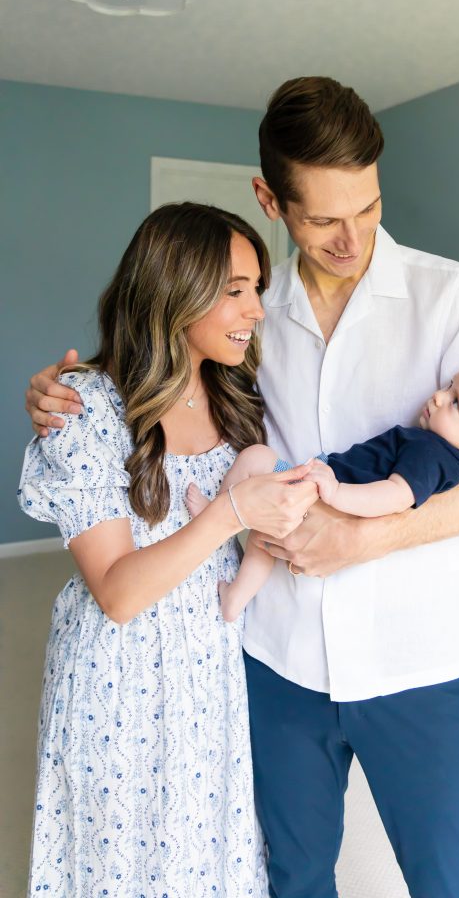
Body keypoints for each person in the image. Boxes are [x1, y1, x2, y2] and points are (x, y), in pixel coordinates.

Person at [26, 76, 459, 898]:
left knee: (453, 881)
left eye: (368, 208)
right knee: (290, 876)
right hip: (273, 656)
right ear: (269, 199)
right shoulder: (244, 309)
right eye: (321, 219)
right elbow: (160, 384)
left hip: (411, 657)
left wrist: (361, 538)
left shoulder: (450, 295)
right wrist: (68, 391)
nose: (351, 238)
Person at [17, 203, 317, 896]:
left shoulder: (240, 397)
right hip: (116, 677)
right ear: (173, 288)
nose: (255, 310)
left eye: (257, 289)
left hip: (209, 669)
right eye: (234, 289)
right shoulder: (85, 407)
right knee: (116, 857)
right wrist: (230, 512)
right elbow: (117, 593)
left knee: (202, 851)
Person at [185, 361, 459, 623]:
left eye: (456, 402)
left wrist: (334, 492)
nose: (440, 397)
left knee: (255, 458)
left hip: (318, 492)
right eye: (448, 387)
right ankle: (236, 599)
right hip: (320, 493)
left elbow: (396, 496)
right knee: (266, 539)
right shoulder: (443, 454)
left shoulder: (433, 453)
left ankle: (217, 514)